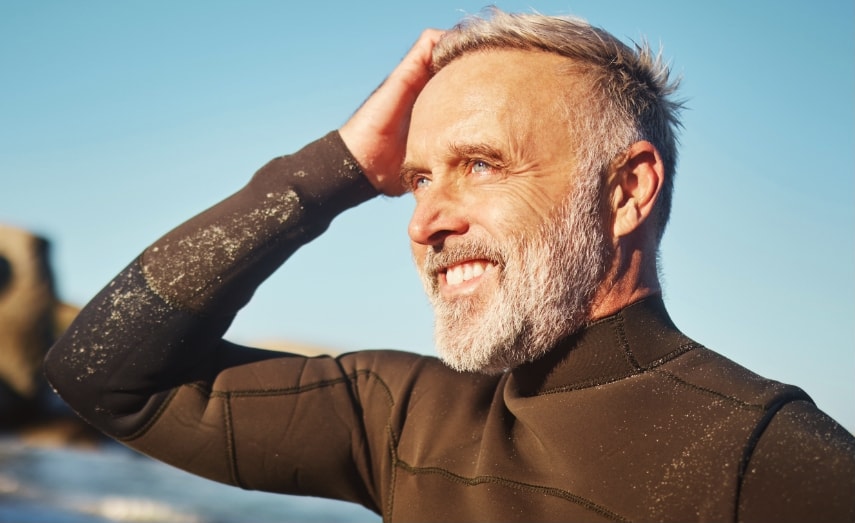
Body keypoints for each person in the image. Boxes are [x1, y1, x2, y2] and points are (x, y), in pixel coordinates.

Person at [44, 9, 854, 522]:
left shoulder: (768, 456)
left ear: (627, 189)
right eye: (417, 178)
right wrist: (338, 168)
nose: (426, 218)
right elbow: (102, 373)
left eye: (482, 165)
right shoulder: (403, 419)